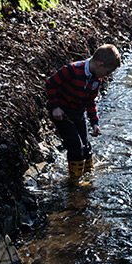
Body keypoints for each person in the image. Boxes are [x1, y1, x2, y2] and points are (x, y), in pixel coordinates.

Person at [45, 44, 122, 176]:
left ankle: (88, 173)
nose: (108, 75)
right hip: (62, 112)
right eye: (108, 72)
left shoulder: (96, 80)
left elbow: (90, 101)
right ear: (100, 64)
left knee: (86, 145)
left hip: (78, 112)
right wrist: (55, 107)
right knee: (76, 146)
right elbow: (50, 83)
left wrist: (94, 123)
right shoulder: (72, 70)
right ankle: (75, 182)